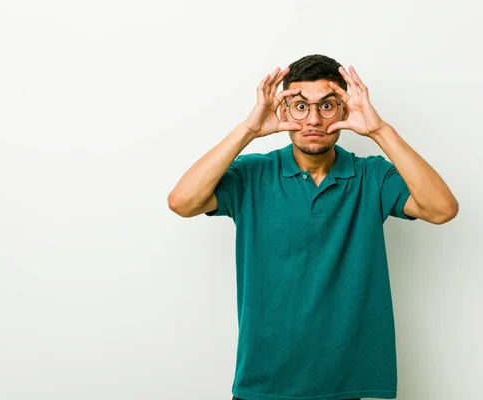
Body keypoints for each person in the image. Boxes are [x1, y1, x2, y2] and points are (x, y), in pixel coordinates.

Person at [167, 54, 459, 400]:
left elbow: (441, 209)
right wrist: (248, 130)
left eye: (327, 105)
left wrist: (380, 130)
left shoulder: (371, 175)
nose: (314, 119)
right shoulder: (252, 174)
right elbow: (182, 202)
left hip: (344, 382)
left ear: (345, 110)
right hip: (263, 382)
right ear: (284, 111)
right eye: (301, 106)